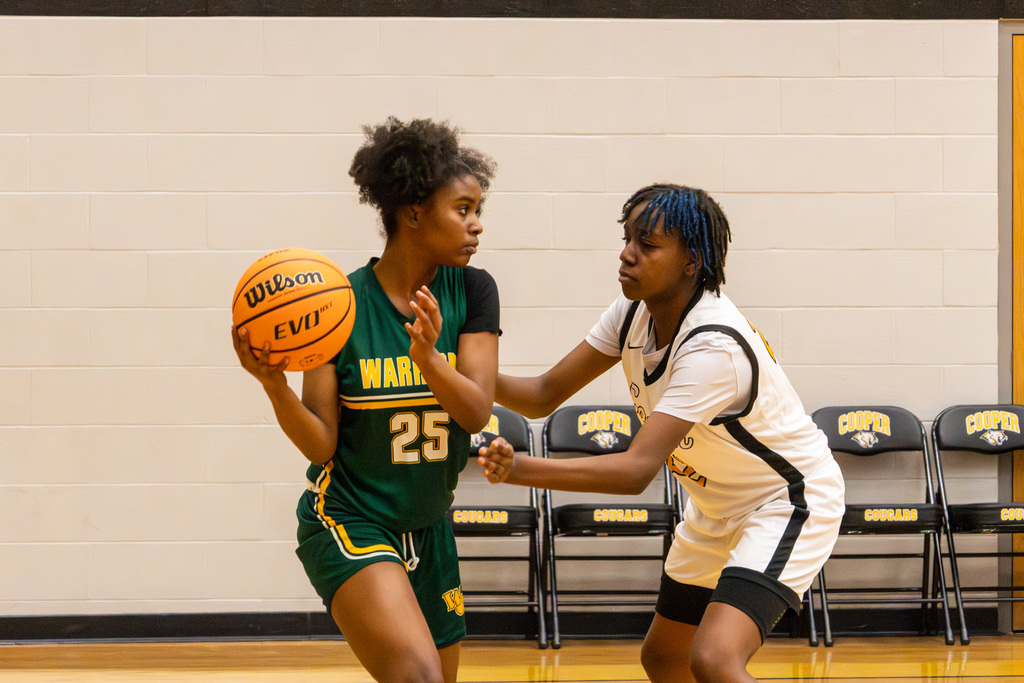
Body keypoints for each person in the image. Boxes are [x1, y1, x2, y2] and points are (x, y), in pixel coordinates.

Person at [478, 183, 844, 683]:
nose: (627, 255)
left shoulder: (713, 346)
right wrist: (451, 367)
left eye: (647, 245)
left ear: (691, 260)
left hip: (787, 501)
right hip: (716, 506)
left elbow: (634, 471)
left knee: (715, 660)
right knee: (665, 658)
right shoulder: (633, 311)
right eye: (627, 239)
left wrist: (521, 468)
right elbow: (542, 393)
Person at [232, 117, 500, 683]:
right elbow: (322, 442)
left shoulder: (473, 290)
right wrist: (274, 386)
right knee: (418, 675)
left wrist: (428, 359)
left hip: (430, 525)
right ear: (414, 210)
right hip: (351, 519)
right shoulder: (337, 305)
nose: (477, 225)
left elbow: (476, 412)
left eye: (479, 210)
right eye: (464, 208)